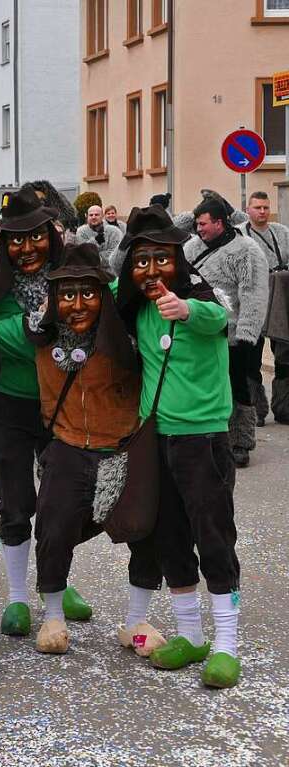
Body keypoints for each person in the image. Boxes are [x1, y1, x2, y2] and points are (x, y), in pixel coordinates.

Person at [0, 242, 164, 655]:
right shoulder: (41, 336)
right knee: (53, 530)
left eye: (87, 293)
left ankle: (137, 621)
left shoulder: (128, 337)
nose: (77, 304)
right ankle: (52, 615)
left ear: (103, 296)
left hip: (124, 447)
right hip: (68, 446)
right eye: (67, 293)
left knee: (147, 531)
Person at [115, 205, 243, 689]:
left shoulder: (199, 296)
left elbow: (217, 317)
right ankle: (190, 635)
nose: (151, 270)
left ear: (178, 258)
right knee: (169, 535)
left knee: (213, 534)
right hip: (156, 436)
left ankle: (227, 643)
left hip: (203, 437)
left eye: (160, 259)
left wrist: (185, 308)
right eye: (141, 261)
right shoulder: (137, 305)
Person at [0, 187, 94, 638]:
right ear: (3, 244)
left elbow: (102, 307)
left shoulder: (70, 276)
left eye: (35, 237)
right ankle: (15, 597)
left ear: (51, 235)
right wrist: (38, 326)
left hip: (63, 401)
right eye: (15, 239)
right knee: (15, 503)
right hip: (9, 403)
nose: (26, 248)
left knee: (62, 501)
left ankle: (57, 581)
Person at [183, 193, 269, 468]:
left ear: (220, 223)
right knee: (207, 387)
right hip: (199, 331)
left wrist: (246, 334)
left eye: (203, 224)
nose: (198, 229)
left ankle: (241, 441)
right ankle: (211, 438)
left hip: (233, 334)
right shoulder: (192, 248)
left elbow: (254, 293)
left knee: (238, 388)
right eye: (196, 224)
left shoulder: (247, 251)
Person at [240, 190, 289, 425]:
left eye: (266, 207)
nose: (262, 212)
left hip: (281, 300)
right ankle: (253, 409)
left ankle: (284, 406)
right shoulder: (240, 234)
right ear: (248, 209)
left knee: (284, 357)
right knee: (251, 358)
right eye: (258, 207)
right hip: (252, 302)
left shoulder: (282, 233)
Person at [76, 205, 123, 271]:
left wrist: (95, 256)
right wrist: (95, 241)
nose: (93, 217)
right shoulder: (81, 231)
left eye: (96, 215)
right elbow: (83, 255)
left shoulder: (114, 231)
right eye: (91, 215)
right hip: (90, 273)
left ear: (102, 216)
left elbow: (116, 256)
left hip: (111, 274)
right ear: (86, 216)